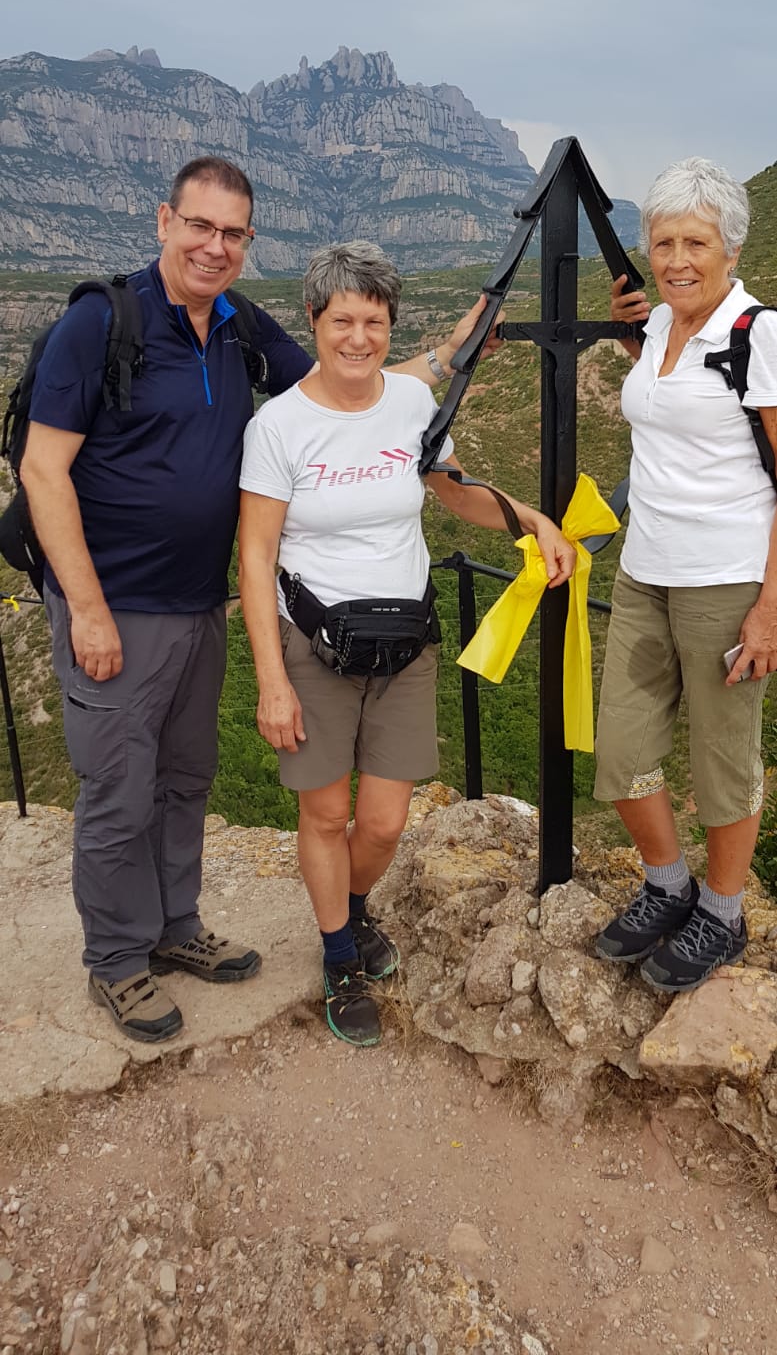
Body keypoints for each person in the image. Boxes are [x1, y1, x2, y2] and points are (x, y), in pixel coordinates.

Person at [20, 158, 504, 1044]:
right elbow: (42, 469)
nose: (214, 247)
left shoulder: (238, 323)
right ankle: (118, 961)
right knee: (119, 789)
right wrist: (85, 608)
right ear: (164, 221)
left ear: (248, 241)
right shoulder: (101, 323)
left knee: (184, 777)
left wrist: (451, 351)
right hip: (114, 603)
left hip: (198, 601)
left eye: (232, 233)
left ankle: (175, 926)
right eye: (199, 226)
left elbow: (346, 385)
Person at [238, 240, 576, 1047]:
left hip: (404, 642)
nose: (358, 338)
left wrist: (530, 520)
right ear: (313, 320)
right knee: (326, 813)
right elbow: (253, 556)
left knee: (385, 822)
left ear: (391, 325)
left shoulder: (411, 404)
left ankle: (350, 912)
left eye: (374, 322)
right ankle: (338, 955)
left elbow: (453, 493)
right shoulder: (278, 426)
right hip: (313, 644)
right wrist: (270, 683)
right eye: (342, 321)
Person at [594, 157, 777, 991]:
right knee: (621, 746)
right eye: (663, 242)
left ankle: (722, 912)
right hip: (643, 572)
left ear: (730, 249)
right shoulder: (662, 326)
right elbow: (671, 412)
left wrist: (769, 608)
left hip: (726, 579)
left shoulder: (757, 336)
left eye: (694, 243)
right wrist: (632, 337)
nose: (675, 259)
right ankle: (667, 885)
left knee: (721, 759)